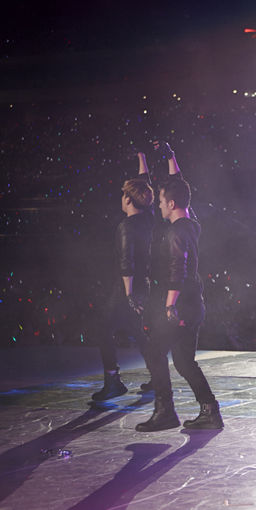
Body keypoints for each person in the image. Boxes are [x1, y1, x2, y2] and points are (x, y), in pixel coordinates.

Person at [136, 142, 222, 431]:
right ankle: (210, 411)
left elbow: (178, 269)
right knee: (184, 362)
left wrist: (169, 305)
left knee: (153, 352)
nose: (159, 204)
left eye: (161, 200)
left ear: (171, 204)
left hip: (181, 305)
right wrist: (170, 157)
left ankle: (165, 412)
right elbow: (180, 189)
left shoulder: (175, 232)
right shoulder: (191, 224)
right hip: (194, 304)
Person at [92, 152, 155, 401]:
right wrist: (142, 157)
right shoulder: (149, 217)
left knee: (102, 328)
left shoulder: (127, 226)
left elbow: (126, 261)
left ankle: (113, 381)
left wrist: (128, 294)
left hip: (128, 288)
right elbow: (145, 183)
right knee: (136, 330)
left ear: (128, 200)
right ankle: (158, 376)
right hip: (144, 284)